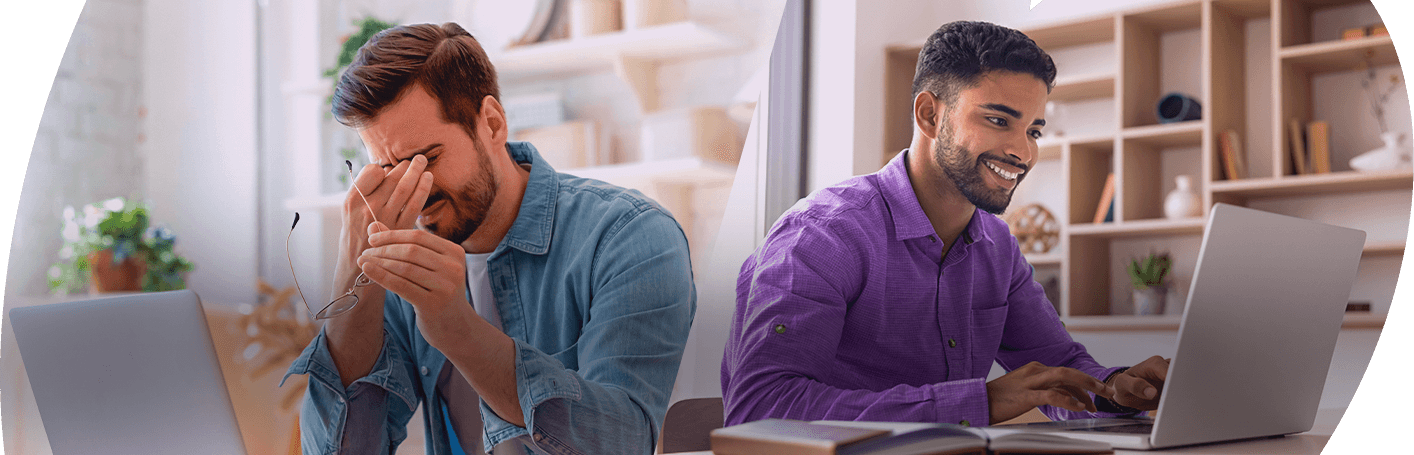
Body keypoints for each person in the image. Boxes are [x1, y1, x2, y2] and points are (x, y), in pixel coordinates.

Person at [721, 20, 1169, 428]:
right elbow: (761, 405)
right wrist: (980, 403)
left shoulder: (997, 247)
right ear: (930, 115)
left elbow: (1056, 364)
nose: (1024, 152)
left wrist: (1118, 388)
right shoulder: (824, 235)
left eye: (1033, 130)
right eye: (998, 120)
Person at [282, 23, 696, 455]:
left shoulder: (630, 237)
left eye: (427, 159)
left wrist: (455, 327)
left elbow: (621, 442)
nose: (413, 190)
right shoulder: (397, 264)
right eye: (389, 170)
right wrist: (352, 280)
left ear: (493, 124)